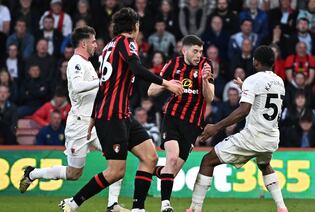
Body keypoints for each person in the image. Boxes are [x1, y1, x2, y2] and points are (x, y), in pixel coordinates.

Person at [59, 8, 183, 212]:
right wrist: (167, 83)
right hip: (112, 116)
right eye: (138, 25)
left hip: (121, 114)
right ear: (134, 26)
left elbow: (103, 85)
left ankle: (138, 209)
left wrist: (92, 118)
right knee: (116, 171)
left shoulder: (109, 47)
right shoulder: (126, 43)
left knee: (150, 157)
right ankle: (73, 203)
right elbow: (137, 69)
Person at [18, 26, 129, 212]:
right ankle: (33, 173)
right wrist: (102, 81)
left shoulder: (89, 64)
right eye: (93, 41)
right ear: (84, 43)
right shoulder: (75, 62)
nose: (96, 45)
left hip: (95, 123)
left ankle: (112, 204)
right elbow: (77, 86)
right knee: (74, 173)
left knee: (118, 160)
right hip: (78, 124)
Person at [186, 46, 288, 212]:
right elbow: (262, 99)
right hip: (271, 137)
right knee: (264, 165)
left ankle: (194, 208)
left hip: (253, 136)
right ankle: (282, 207)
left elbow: (244, 110)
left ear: (256, 61)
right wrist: (245, 87)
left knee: (208, 160)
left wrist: (216, 127)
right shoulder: (279, 81)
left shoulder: (253, 80)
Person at [148, 34, 214, 212]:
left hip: (193, 125)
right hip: (173, 118)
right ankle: (165, 205)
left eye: (200, 51)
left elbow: (210, 98)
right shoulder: (172, 64)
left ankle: (150, 170)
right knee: (171, 157)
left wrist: (204, 82)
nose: (198, 55)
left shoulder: (206, 66)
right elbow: (150, 91)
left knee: (172, 170)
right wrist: (166, 84)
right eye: (195, 51)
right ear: (184, 50)